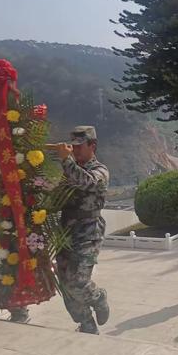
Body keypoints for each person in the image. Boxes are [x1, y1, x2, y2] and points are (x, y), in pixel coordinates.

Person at [50, 126, 110, 335]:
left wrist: (67, 161)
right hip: (66, 233)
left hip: (88, 233)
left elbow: (87, 182)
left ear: (92, 146)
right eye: (72, 147)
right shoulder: (70, 172)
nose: (75, 151)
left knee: (78, 282)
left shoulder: (100, 171)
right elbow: (57, 198)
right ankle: (86, 324)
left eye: (79, 146)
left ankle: (98, 296)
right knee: (65, 285)